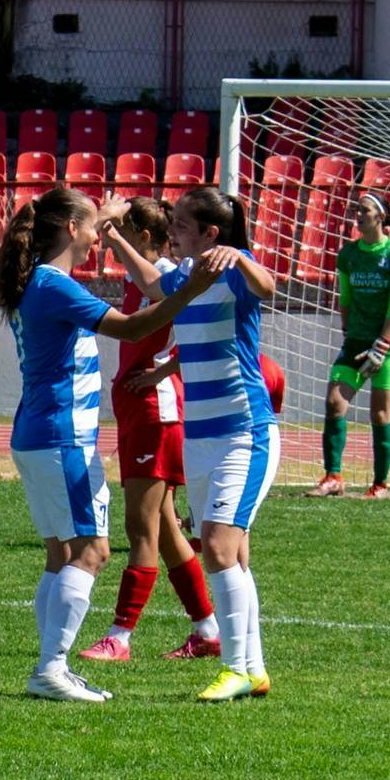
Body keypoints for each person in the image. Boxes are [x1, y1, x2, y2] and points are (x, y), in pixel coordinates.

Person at [0, 189, 223, 702]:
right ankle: (51, 668)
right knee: (93, 552)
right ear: (71, 231)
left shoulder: (38, 279)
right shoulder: (54, 286)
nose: (98, 235)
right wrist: (190, 290)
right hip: (61, 438)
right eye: (91, 227)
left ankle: (49, 665)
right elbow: (133, 326)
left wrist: (110, 216)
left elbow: (82, 228)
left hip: (38, 434)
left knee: (60, 556)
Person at [106, 185, 279, 702]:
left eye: (181, 225)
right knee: (234, 555)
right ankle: (255, 668)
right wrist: (113, 234)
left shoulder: (234, 264)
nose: (172, 234)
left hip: (243, 431)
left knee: (220, 547)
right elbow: (155, 284)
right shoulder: (185, 276)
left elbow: (267, 288)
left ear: (210, 233)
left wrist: (242, 260)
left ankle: (233, 667)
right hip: (201, 433)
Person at [79, 197, 223, 663]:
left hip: (154, 413)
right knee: (163, 530)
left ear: (143, 237)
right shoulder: (147, 272)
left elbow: (187, 317)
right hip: (140, 408)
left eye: (123, 233)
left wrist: (163, 373)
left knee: (140, 527)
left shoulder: (163, 272)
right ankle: (207, 629)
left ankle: (119, 636)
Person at [309, 192, 390, 499]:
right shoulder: (348, 254)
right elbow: (346, 299)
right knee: (334, 403)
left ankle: (380, 484)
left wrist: (382, 346)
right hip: (356, 339)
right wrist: (348, 331)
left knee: (379, 413)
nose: (357, 215)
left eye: (363, 210)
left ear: (380, 217)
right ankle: (333, 476)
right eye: (357, 210)